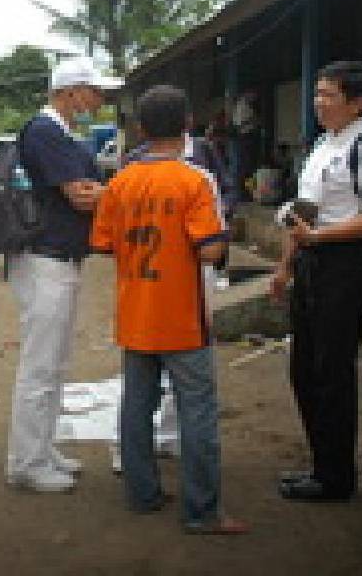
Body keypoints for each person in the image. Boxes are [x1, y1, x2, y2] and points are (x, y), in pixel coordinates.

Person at [91, 85, 248, 535]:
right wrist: (219, 242)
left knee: (136, 405)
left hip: (136, 311)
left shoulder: (120, 182)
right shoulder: (195, 180)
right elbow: (210, 251)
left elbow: (103, 243)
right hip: (181, 315)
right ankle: (202, 511)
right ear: (188, 125)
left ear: (140, 129)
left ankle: (142, 494)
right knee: (197, 410)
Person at [270, 61, 362, 502]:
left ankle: (335, 476)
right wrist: (286, 265)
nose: (319, 103)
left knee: (331, 371)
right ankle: (321, 463)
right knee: (304, 368)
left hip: (344, 266)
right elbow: (305, 212)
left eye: (329, 95)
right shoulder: (324, 144)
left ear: (357, 102)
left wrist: (319, 237)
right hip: (311, 262)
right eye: (317, 94)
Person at [5, 57, 120, 493]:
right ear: (71, 91)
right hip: (44, 260)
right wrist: (125, 191)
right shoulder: (44, 132)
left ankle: (42, 448)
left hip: (59, 259)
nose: (99, 99)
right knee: (40, 365)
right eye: (94, 91)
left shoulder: (62, 134)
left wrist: (105, 192)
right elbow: (81, 196)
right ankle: (25, 462)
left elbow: (90, 193)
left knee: (54, 363)